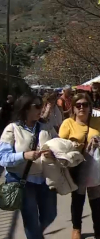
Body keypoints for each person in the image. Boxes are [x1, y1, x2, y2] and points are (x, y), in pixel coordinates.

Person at [0, 94, 57, 239]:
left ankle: (36, 234)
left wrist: (54, 153)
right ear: (25, 109)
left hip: (45, 179)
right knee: (31, 221)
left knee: (50, 214)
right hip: (23, 181)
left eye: (41, 105)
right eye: (37, 106)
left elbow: (58, 144)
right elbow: (3, 158)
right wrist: (24, 155)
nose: (41, 109)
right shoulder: (11, 129)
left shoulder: (45, 126)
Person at [58, 93, 100, 239]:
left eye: (85, 105)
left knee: (97, 200)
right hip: (76, 166)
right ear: (73, 108)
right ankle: (76, 229)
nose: (81, 108)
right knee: (78, 199)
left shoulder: (96, 121)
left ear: (89, 107)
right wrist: (73, 145)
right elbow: (60, 145)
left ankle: (99, 232)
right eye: (78, 105)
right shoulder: (68, 123)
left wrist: (99, 139)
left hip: (95, 165)